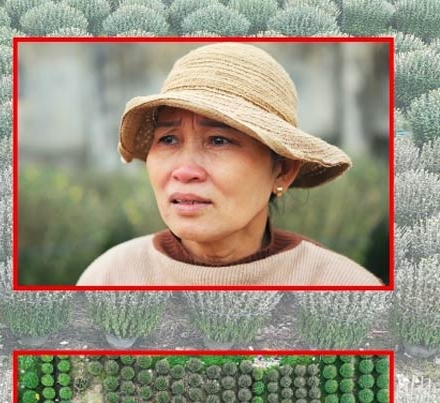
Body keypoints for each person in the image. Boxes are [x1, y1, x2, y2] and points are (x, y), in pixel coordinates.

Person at [77, 42, 382, 287]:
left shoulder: (342, 290)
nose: (185, 171)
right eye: (168, 139)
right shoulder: (111, 279)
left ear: (283, 170)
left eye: (219, 140)